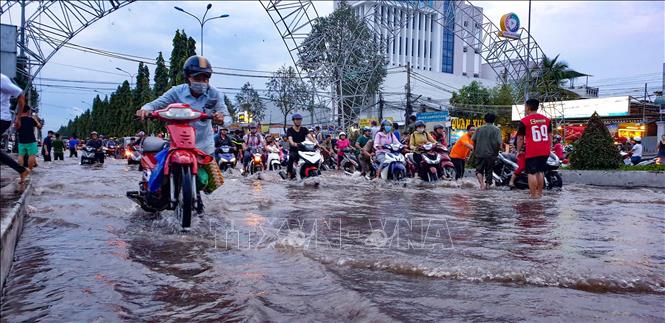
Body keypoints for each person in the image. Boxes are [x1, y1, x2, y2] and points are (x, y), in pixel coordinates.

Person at [136, 55, 226, 155]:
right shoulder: (177, 91)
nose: (201, 82)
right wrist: (145, 109)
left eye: (205, 79)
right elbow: (155, 104)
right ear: (188, 78)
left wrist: (221, 119)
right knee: (162, 169)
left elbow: (228, 118)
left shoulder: (215, 94)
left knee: (215, 171)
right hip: (177, 149)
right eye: (197, 78)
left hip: (205, 151)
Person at [516, 99, 552, 198]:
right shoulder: (547, 120)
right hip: (545, 150)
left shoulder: (524, 121)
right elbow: (550, 136)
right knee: (540, 171)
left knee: (531, 173)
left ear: (528, 107)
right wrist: (550, 147)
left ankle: (533, 196)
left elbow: (520, 138)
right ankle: (539, 194)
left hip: (532, 150)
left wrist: (518, 151)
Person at [0, 73, 29, 183]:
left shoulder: (2, 79)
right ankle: (21, 170)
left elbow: (20, 94)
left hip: (2, 118)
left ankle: (21, 170)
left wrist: (18, 117)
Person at [472, 113, 502, 190]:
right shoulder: (497, 130)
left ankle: (481, 185)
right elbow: (499, 143)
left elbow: (473, 141)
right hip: (491, 154)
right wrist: (497, 151)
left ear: (485, 120)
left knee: (479, 170)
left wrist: (475, 151)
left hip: (479, 153)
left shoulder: (478, 129)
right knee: (489, 171)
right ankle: (488, 186)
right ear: (494, 120)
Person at [282, 113, 317, 179]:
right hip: (294, 150)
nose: (298, 121)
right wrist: (293, 143)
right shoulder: (290, 130)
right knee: (291, 157)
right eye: (297, 119)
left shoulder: (304, 129)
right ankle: (289, 173)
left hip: (304, 150)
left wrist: (316, 144)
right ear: (293, 121)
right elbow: (290, 139)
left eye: (300, 120)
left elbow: (310, 137)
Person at [15, 104, 42, 172]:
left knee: (21, 155)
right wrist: (35, 119)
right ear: (28, 111)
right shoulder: (30, 119)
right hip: (31, 140)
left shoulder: (18, 120)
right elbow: (39, 126)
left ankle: (21, 170)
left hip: (21, 140)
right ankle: (29, 170)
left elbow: (16, 129)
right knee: (31, 155)